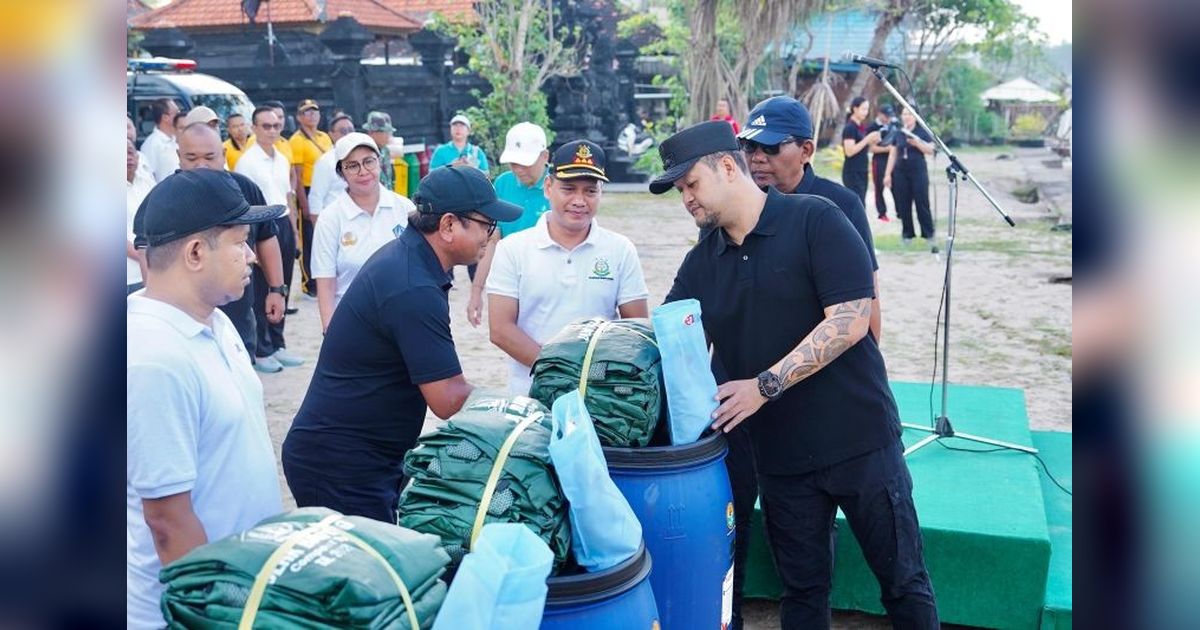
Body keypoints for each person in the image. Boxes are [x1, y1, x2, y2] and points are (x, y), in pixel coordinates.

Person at [649, 121, 939, 630]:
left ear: (725, 166)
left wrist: (764, 385)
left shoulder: (815, 219)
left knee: (903, 582)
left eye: (691, 184)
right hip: (780, 463)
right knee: (802, 595)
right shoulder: (701, 262)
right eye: (679, 192)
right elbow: (671, 340)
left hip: (860, 441)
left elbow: (850, 321)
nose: (686, 200)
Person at [281, 165, 521, 523]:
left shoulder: (412, 260)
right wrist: (515, 410)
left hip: (367, 455)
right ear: (449, 225)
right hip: (341, 464)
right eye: (487, 224)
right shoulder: (413, 285)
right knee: (365, 572)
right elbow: (447, 397)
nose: (492, 234)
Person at [127, 169, 285, 629]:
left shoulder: (216, 321)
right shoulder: (153, 357)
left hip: (239, 588)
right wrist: (217, 615)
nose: (252, 256)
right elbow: (168, 522)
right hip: (192, 609)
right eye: (239, 242)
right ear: (196, 252)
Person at [486, 140, 650, 395]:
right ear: (548, 187)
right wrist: (563, 373)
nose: (579, 200)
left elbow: (636, 329)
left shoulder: (620, 249)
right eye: (569, 189)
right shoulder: (513, 250)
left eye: (590, 191)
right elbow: (500, 330)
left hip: (600, 398)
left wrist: (593, 379)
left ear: (601, 193)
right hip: (532, 394)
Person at [739, 95, 882, 341]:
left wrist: (872, 369)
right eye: (750, 146)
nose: (758, 157)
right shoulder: (736, 208)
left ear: (806, 150)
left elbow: (868, 296)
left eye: (770, 147)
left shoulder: (841, 205)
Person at [177, 122, 288, 372]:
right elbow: (148, 255)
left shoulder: (244, 188)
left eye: (209, 157)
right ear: (179, 157)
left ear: (224, 155)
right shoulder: (166, 197)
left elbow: (266, 238)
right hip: (186, 314)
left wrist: (277, 289)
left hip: (238, 309)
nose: (201, 165)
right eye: (191, 157)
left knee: (240, 375)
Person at [311, 132, 413, 332]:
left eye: (369, 162)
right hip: (353, 323)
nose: (363, 171)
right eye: (352, 165)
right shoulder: (330, 218)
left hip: (404, 319)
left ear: (380, 162)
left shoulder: (405, 209)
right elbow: (325, 282)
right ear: (340, 172)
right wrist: (329, 332)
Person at [235, 106, 305, 372]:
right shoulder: (247, 162)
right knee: (262, 288)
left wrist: (294, 233)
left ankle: (278, 342)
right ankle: (262, 348)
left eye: (276, 125)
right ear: (254, 128)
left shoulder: (281, 157)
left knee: (282, 284)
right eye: (266, 126)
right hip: (259, 226)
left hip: (283, 221)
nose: (272, 131)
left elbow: (287, 196)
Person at [466, 121, 551, 326]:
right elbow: (493, 241)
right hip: (511, 278)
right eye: (513, 162)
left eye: (525, 162)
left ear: (545, 156)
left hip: (547, 278)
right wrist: (476, 291)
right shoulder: (503, 183)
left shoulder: (559, 188)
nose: (518, 169)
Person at [290, 98, 334, 298]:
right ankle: (309, 283)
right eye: (307, 112)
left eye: (315, 111)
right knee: (308, 237)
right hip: (306, 190)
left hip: (325, 189)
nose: (312, 115)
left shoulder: (324, 137)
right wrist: (304, 204)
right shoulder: (297, 140)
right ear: (299, 117)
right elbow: (297, 176)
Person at [885, 106, 938, 250]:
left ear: (915, 117)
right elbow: (893, 154)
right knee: (903, 204)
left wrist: (917, 143)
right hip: (901, 172)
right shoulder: (899, 132)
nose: (907, 116)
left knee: (922, 203)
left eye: (910, 114)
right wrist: (888, 174)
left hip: (918, 171)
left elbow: (931, 150)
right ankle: (907, 234)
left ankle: (929, 234)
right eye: (904, 114)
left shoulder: (922, 132)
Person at [308, 113, 355, 217]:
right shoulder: (326, 161)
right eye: (343, 131)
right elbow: (316, 198)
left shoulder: (360, 158)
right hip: (334, 220)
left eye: (350, 130)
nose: (348, 134)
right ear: (331, 135)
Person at [841, 96, 880, 206]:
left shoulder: (861, 127)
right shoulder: (850, 127)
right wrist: (867, 139)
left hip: (862, 170)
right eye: (863, 109)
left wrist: (873, 141)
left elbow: (863, 148)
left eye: (867, 109)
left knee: (862, 205)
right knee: (857, 206)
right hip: (852, 172)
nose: (866, 112)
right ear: (855, 109)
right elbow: (849, 151)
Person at [126, 138, 153, 295]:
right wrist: (145, 257)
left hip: (151, 271)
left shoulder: (146, 181)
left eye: (130, 153)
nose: (128, 158)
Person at [138, 97, 180, 182]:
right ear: (165, 117)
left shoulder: (177, 139)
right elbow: (148, 177)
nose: (179, 116)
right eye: (176, 113)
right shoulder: (151, 145)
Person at [867, 104, 896, 221]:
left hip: (892, 159)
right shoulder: (872, 127)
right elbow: (870, 148)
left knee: (896, 185)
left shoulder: (893, 125)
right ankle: (882, 213)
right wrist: (887, 149)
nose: (888, 118)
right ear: (879, 114)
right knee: (879, 187)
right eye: (886, 116)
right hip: (878, 160)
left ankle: (899, 210)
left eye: (890, 116)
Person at [363, 111, 397, 191]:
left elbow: (389, 179)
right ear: (372, 132)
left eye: (389, 132)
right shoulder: (363, 154)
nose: (388, 135)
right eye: (385, 132)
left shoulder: (385, 151)